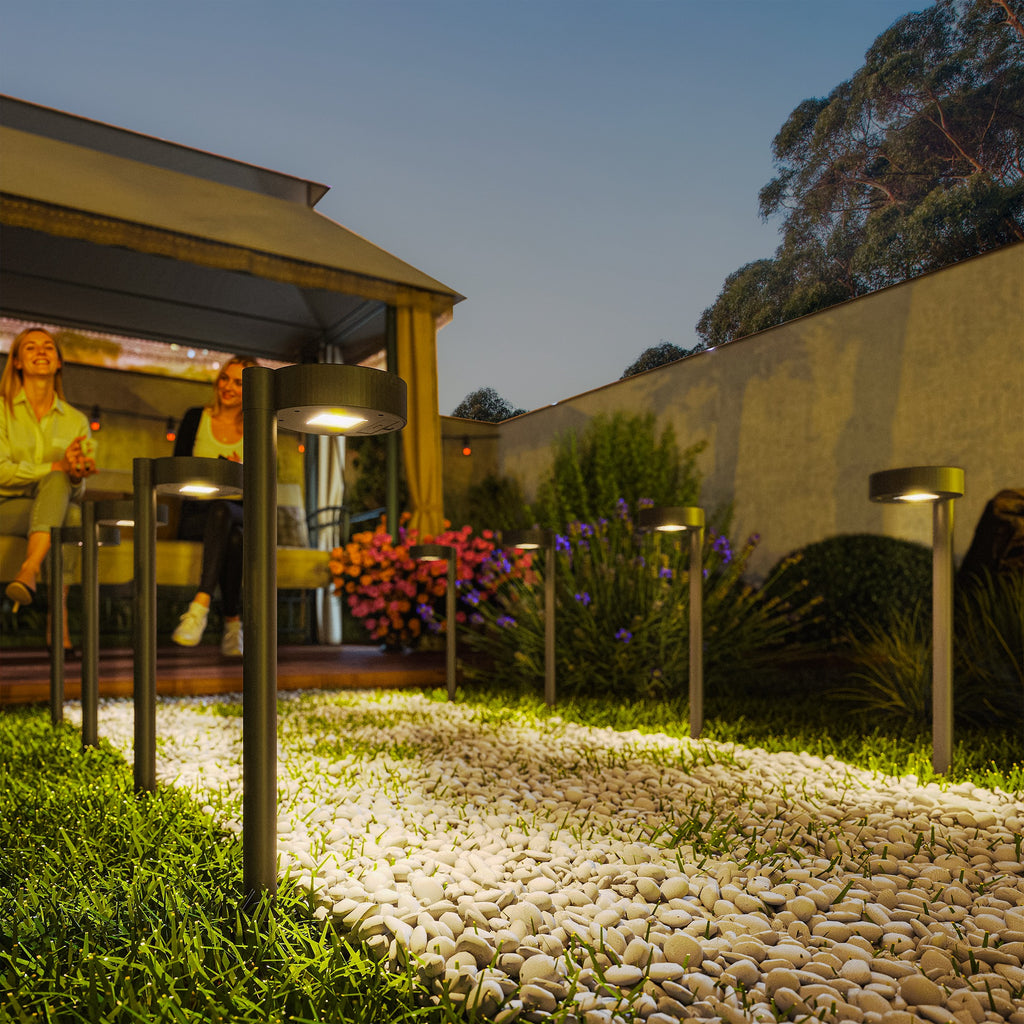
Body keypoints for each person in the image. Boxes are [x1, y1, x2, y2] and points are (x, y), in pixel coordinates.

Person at [1, 327, 98, 648]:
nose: (41, 351)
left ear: (58, 363)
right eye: (30, 347)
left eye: (48, 347)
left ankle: (30, 571)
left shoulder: (76, 421)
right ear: (17, 361)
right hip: (5, 507)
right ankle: (59, 622)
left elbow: (76, 490)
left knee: (69, 510)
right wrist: (55, 468)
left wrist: (75, 476)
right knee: (66, 509)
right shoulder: (1, 411)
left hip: (50, 507)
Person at [170, 355, 256, 656]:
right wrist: (213, 476)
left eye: (239, 383)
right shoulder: (195, 418)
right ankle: (232, 624)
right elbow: (175, 471)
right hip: (197, 515)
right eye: (225, 379)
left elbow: (263, 488)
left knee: (228, 516)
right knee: (234, 538)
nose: (228, 387)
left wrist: (238, 476)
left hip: (239, 512)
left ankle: (199, 608)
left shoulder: (258, 429)